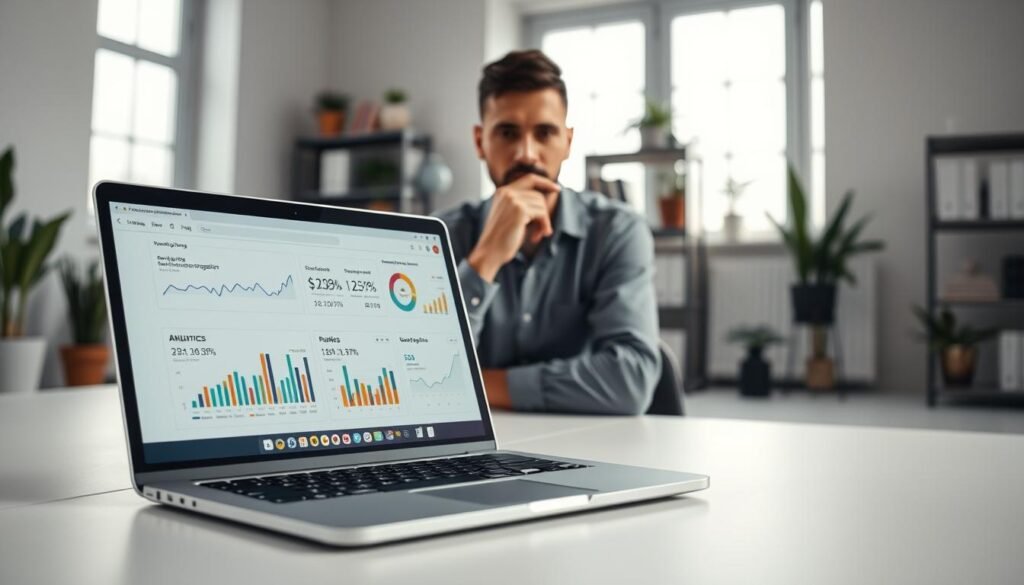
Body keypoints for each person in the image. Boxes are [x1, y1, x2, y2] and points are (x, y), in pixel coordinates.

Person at [435, 50, 660, 415]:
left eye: (545, 133)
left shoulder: (618, 231)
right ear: (480, 142)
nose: (527, 154)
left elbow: (630, 380)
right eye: (507, 132)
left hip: (589, 444)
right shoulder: (440, 236)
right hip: (473, 448)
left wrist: (475, 385)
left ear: (567, 142)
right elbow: (420, 376)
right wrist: (486, 257)